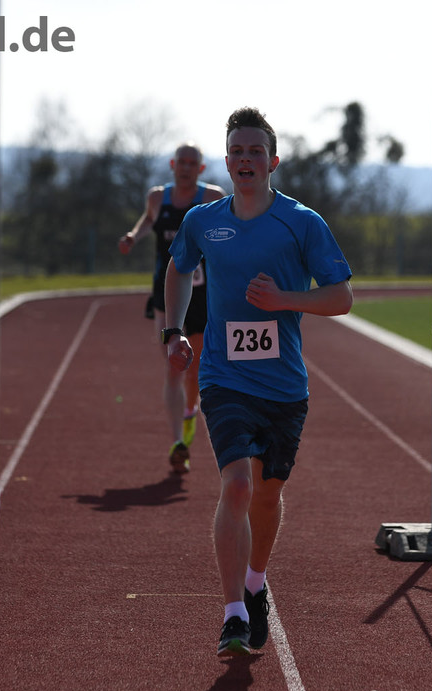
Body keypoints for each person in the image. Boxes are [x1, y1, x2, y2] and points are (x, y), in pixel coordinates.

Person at [164, 107, 353, 656]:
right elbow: (178, 268)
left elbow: (341, 296)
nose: (245, 160)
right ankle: (233, 615)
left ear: (273, 161)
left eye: (255, 152)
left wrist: (284, 300)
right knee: (238, 485)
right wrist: (174, 329)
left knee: (268, 495)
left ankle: (255, 583)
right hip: (223, 377)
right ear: (226, 163)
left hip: (284, 386)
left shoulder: (302, 222)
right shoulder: (203, 221)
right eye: (237, 152)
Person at [118, 144, 225, 474]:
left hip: (203, 294)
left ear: (201, 169)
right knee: (173, 366)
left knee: (196, 370)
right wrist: (133, 236)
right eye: (182, 162)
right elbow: (148, 221)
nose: (186, 167)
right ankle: (178, 441)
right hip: (165, 294)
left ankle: (190, 411)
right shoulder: (156, 198)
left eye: (193, 163)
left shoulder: (212, 197)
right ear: (172, 164)